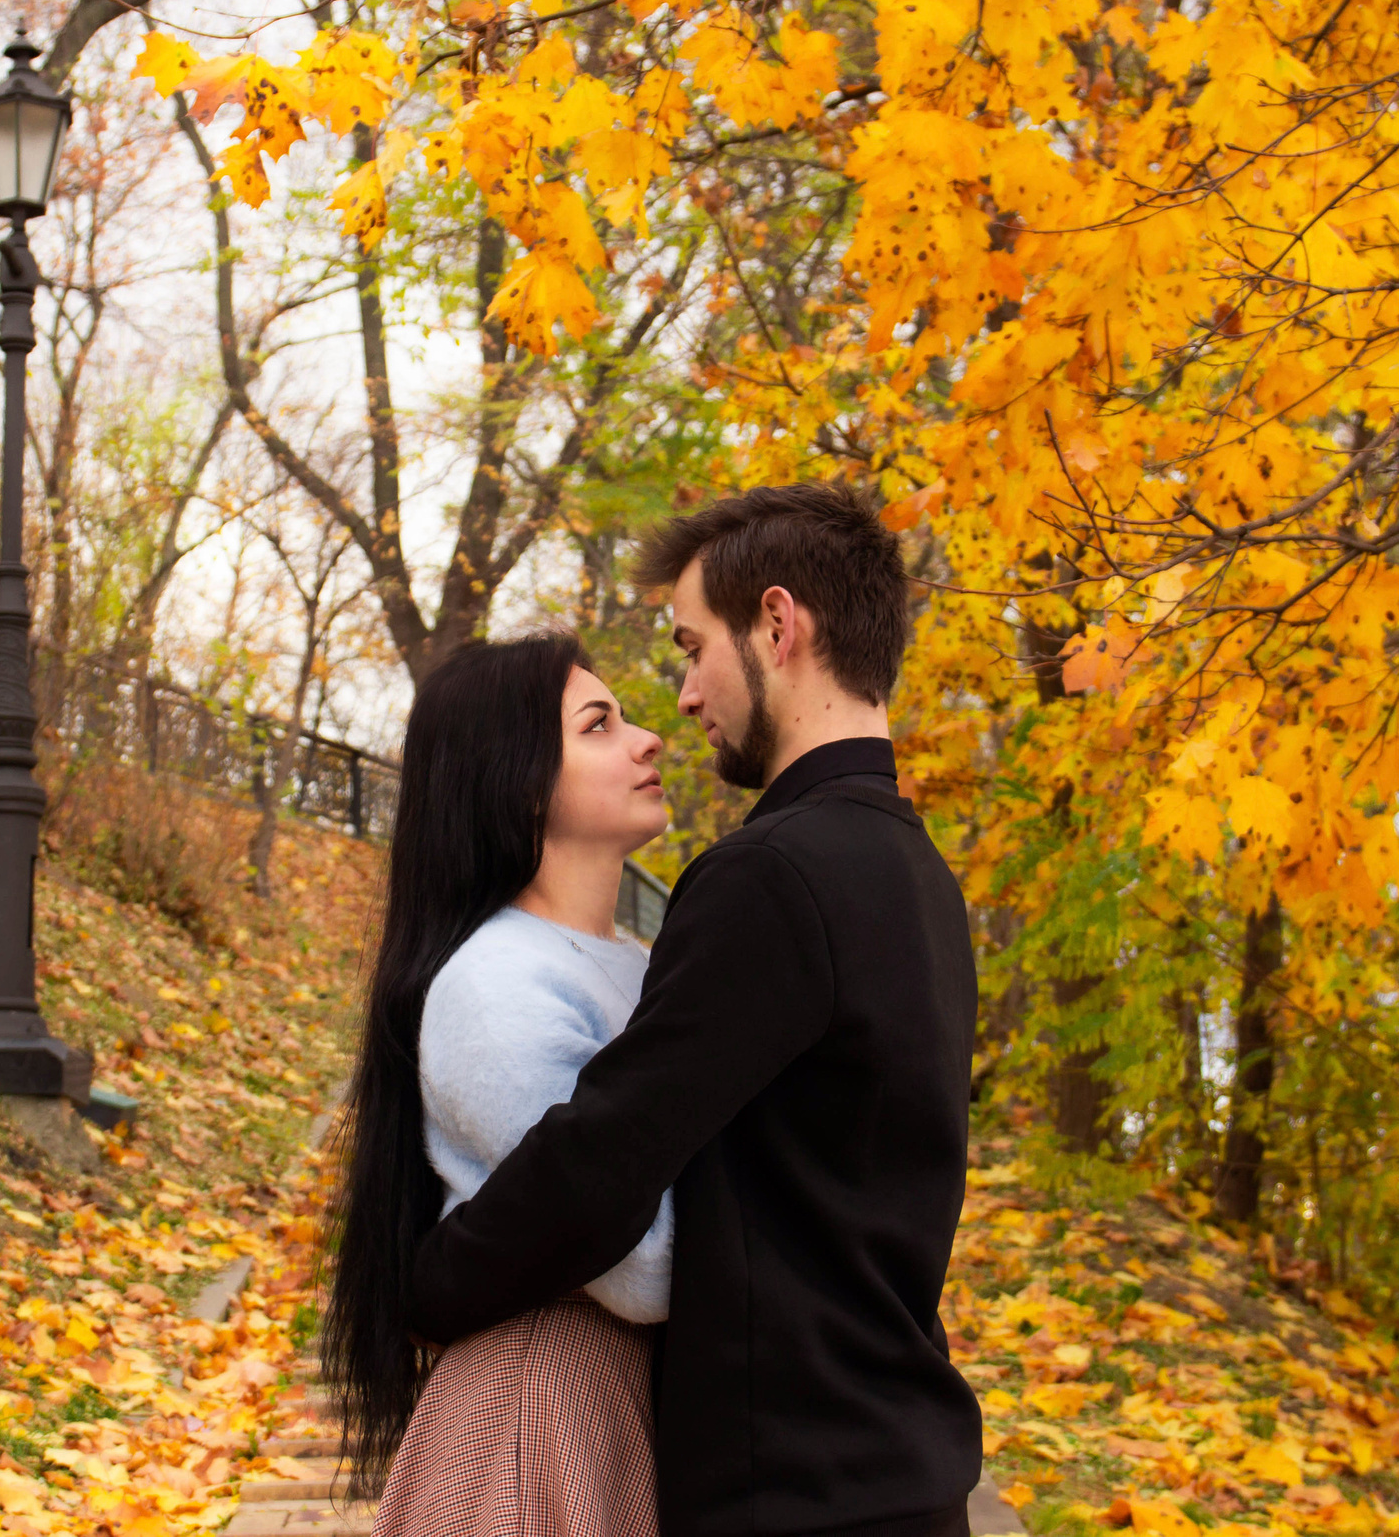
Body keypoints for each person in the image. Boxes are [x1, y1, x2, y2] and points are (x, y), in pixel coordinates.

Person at [405, 483, 984, 1537]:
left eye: (690, 647)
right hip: (897, 1471)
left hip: (795, 1494)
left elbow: (602, 1159)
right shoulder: (920, 875)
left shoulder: (772, 874)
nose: (681, 698)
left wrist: (428, 1280)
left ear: (777, 625)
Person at [322, 631, 678, 1536]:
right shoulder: (497, 983)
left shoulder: (640, 965)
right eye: (599, 725)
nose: (648, 739)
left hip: (613, 1403)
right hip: (539, 1406)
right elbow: (643, 1267)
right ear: (520, 783)